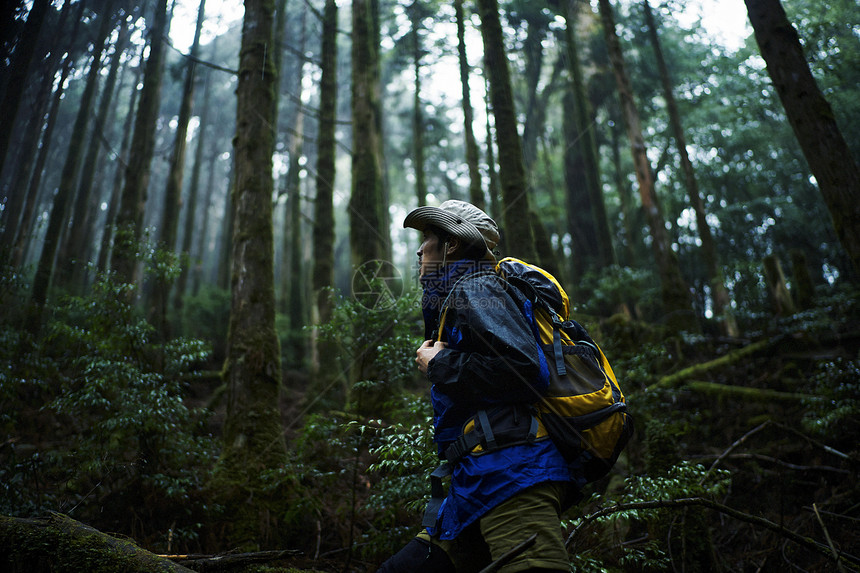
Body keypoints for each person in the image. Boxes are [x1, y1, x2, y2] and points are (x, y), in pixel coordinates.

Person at [377, 200, 582, 573]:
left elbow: (524, 370)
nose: (420, 248)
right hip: (477, 480)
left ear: (452, 245)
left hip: (514, 474)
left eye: (428, 238)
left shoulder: (476, 286)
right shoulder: (465, 292)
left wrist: (440, 363)